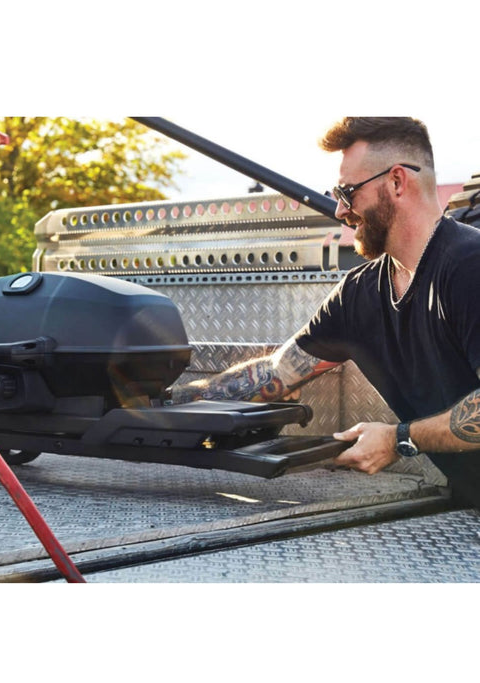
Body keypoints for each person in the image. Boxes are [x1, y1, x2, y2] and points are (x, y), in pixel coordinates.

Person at [170, 117, 480, 508]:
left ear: (397, 182)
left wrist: (399, 438)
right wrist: (169, 403)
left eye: (348, 193)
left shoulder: (470, 266)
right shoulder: (359, 294)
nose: (340, 210)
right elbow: (276, 374)